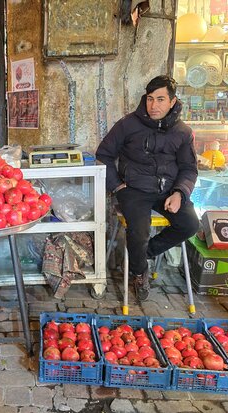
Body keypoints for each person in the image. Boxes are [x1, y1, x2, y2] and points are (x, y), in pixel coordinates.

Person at [95, 75, 199, 301]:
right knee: (139, 230)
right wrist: (117, 186)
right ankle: (139, 271)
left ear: (172, 102)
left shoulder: (182, 132)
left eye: (161, 99)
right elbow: (103, 155)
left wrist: (180, 192)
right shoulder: (128, 124)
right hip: (134, 189)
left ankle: (141, 255)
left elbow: (189, 168)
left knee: (190, 224)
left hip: (169, 190)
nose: (154, 105)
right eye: (150, 99)